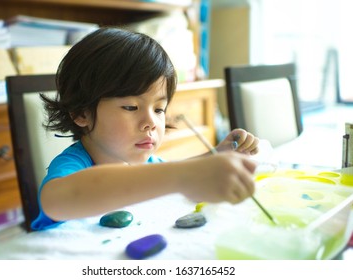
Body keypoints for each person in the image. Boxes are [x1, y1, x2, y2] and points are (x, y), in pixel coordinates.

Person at [31, 27, 259, 231]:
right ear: (81, 113)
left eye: (159, 109)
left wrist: (216, 156)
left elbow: (177, 171)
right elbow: (57, 200)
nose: (151, 122)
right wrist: (184, 176)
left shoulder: (142, 162)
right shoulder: (74, 166)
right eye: (131, 107)